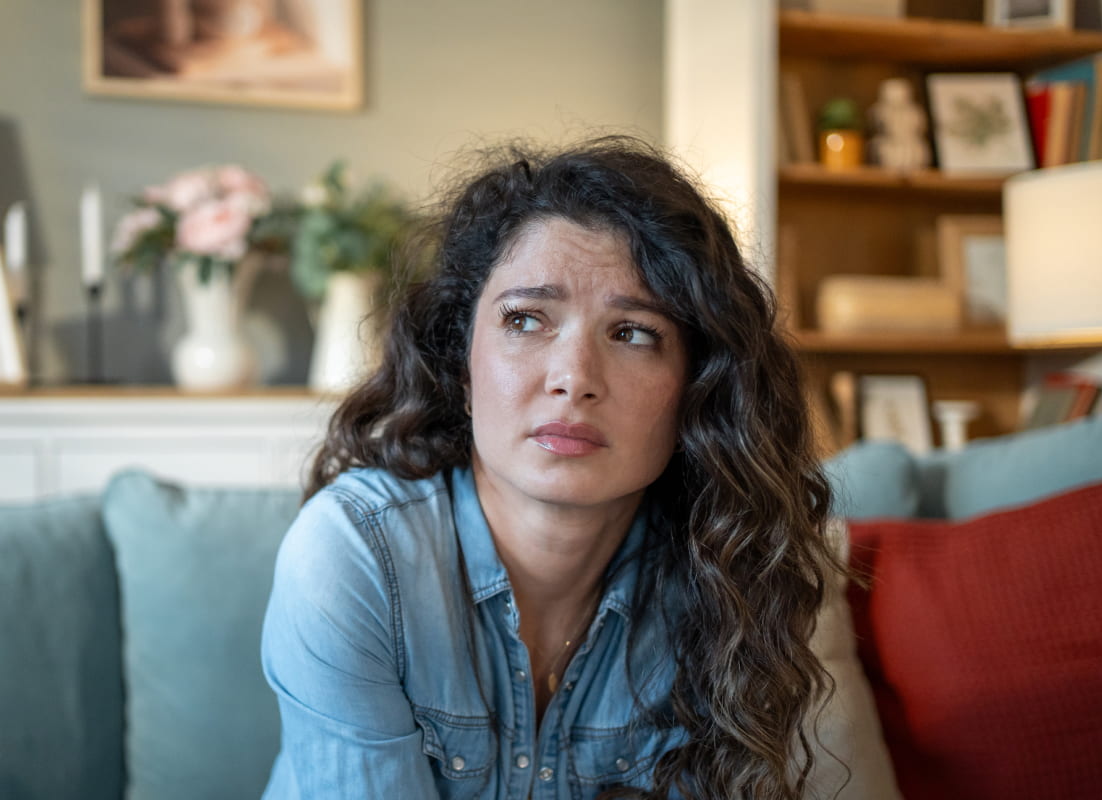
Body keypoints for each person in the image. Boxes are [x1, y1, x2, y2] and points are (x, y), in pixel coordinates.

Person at [260, 136, 842, 799]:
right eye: (526, 319)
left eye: (633, 334)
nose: (574, 378)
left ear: (696, 390)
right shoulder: (354, 554)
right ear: (463, 366)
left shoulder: (725, 574)